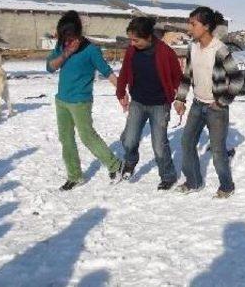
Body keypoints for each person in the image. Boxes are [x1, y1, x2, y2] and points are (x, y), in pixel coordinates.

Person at [46, 10, 123, 190]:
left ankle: (115, 165)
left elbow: (107, 71)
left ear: (78, 33)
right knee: (66, 139)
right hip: (62, 101)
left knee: (87, 136)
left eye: (70, 36)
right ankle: (75, 175)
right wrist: (65, 53)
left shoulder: (91, 50)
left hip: (81, 102)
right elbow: (50, 67)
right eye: (64, 37)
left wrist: (121, 92)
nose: (67, 40)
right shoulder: (62, 46)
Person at [174, 6, 243, 199]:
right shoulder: (192, 47)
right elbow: (186, 75)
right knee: (187, 142)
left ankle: (227, 186)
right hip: (197, 105)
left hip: (216, 109)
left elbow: (237, 79)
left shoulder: (220, 49)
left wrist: (222, 102)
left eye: (193, 24)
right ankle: (193, 181)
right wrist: (180, 98)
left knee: (218, 150)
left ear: (205, 26)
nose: (189, 28)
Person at [116, 17, 183, 190]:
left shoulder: (166, 53)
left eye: (136, 40)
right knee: (129, 140)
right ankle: (130, 161)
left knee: (159, 146)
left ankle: (168, 176)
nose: (132, 43)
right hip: (138, 102)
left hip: (160, 105)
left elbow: (178, 78)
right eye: (131, 39)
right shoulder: (132, 51)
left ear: (148, 37)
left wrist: (179, 99)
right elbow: (124, 72)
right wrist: (121, 92)